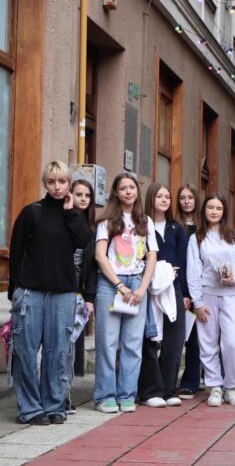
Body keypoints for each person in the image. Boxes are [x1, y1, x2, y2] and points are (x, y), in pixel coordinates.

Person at [8, 161, 91, 425]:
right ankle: (30, 409)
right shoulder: (31, 212)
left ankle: (54, 405)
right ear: (45, 183)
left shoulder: (73, 215)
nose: (57, 187)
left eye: (62, 181)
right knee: (26, 352)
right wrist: (14, 292)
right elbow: (16, 253)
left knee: (58, 352)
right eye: (52, 181)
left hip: (63, 294)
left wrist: (70, 212)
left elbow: (85, 241)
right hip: (30, 292)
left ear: (69, 184)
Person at [93, 172, 158, 414]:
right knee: (108, 343)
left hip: (137, 284)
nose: (128, 191)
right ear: (116, 193)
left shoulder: (146, 221)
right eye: (123, 188)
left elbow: (152, 257)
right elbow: (100, 256)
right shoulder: (107, 221)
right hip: (111, 284)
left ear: (137, 191)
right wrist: (120, 286)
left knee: (132, 344)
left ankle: (127, 394)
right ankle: (105, 396)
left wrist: (141, 288)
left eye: (132, 187)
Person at [187, 194, 235, 407]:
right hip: (207, 296)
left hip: (233, 295)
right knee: (208, 343)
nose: (214, 211)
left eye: (218, 208)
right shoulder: (197, 238)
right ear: (204, 210)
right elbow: (193, 272)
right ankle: (214, 386)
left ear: (224, 211)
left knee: (233, 343)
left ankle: (231, 386)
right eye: (210, 207)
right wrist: (197, 302)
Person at [138, 183, 189, 407]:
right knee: (149, 337)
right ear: (151, 198)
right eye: (159, 196)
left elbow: (184, 262)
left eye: (167, 196)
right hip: (147, 288)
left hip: (173, 287)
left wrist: (185, 293)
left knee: (174, 339)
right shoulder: (141, 226)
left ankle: (169, 389)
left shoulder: (176, 228)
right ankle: (151, 391)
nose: (164, 200)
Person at [68, 179, 98, 413]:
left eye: (87, 195)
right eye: (79, 194)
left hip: (78, 292)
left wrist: (89, 297)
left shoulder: (92, 228)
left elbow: (91, 268)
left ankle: (63, 393)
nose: (83, 199)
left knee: (69, 346)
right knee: (60, 347)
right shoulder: (63, 220)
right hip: (60, 288)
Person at [175, 184, 202, 400]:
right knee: (175, 336)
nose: (186, 201)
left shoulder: (203, 227)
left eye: (190, 197)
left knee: (195, 337)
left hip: (200, 286)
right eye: (182, 198)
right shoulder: (174, 225)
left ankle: (191, 380)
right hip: (177, 284)